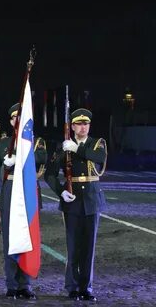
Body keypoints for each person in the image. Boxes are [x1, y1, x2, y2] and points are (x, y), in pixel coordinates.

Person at [44, 108, 107, 301]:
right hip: (72, 201)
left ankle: (86, 287)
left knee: (89, 247)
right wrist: (61, 191)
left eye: (86, 123)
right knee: (73, 247)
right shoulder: (63, 147)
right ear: (72, 127)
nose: (83, 127)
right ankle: (72, 286)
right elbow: (50, 174)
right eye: (79, 124)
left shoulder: (97, 143)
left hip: (91, 200)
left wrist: (76, 149)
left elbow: (99, 158)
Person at [0, 103, 47, 300]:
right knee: (10, 240)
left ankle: (25, 284)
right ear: (11, 121)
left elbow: (43, 157)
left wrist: (21, 157)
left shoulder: (35, 141)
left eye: (21, 117)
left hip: (29, 193)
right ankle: (12, 284)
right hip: (9, 191)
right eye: (15, 117)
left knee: (28, 240)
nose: (18, 120)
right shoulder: (2, 143)